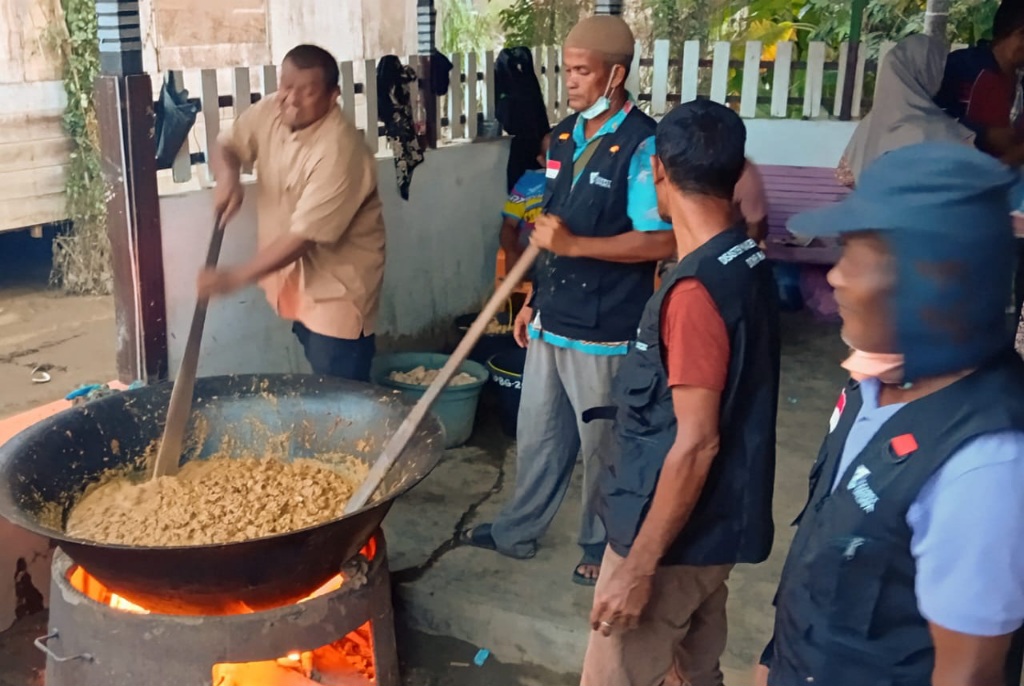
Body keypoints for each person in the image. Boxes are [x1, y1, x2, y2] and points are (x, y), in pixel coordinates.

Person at [757, 142, 1024, 686]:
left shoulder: (985, 467)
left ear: (928, 281)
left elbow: (966, 675)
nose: (835, 277)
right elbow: (827, 540)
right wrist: (773, 663)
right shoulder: (871, 383)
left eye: (858, 254)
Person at [459, 15, 676, 586]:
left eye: (582, 71)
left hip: (604, 328)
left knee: (599, 445)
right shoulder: (560, 138)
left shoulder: (641, 144)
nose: (571, 82)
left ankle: (599, 543)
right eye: (568, 69)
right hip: (553, 318)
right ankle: (517, 529)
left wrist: (578, 244)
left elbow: (662, 239)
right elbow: (550, 229)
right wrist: (533, 302)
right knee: (538, 435)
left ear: (616, 76)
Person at [581, 100, 780, 686]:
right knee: (691, 672)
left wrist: (638, 567)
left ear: (659, 175)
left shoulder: (695, 291)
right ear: (737, 170)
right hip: (715, 528)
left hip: (669, 541)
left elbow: (695, 444)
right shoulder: (747, 260)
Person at [197, 44, 387, 383]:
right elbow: (227, 143)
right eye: (285, 86)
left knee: (342, 397)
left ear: (333, 97)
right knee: (320, 388)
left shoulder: (340, 150)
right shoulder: (272, 110)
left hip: (337, 294)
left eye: (307, 91)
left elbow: (305, 238)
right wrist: (229, 177)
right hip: (296, 287)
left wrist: (235, 277)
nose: (291, 99)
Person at [837, 34, 974, 188]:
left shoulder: (870, 123)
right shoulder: (942, 132)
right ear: (930, 72)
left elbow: (845, 177)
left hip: (871, 211)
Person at [935, 0, 1024, 163]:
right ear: (1016, 32)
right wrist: (984, 134)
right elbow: (928, 118)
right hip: (956, 173)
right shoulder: (961, 65)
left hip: (1006, 181)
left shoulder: (1020, 81)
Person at [500, 134, 550, 272]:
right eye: (552, 155)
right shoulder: (528, 182)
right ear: (542, 160)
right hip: (530, 250)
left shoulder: (582, 184)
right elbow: (509, 224)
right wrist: (511, 252)